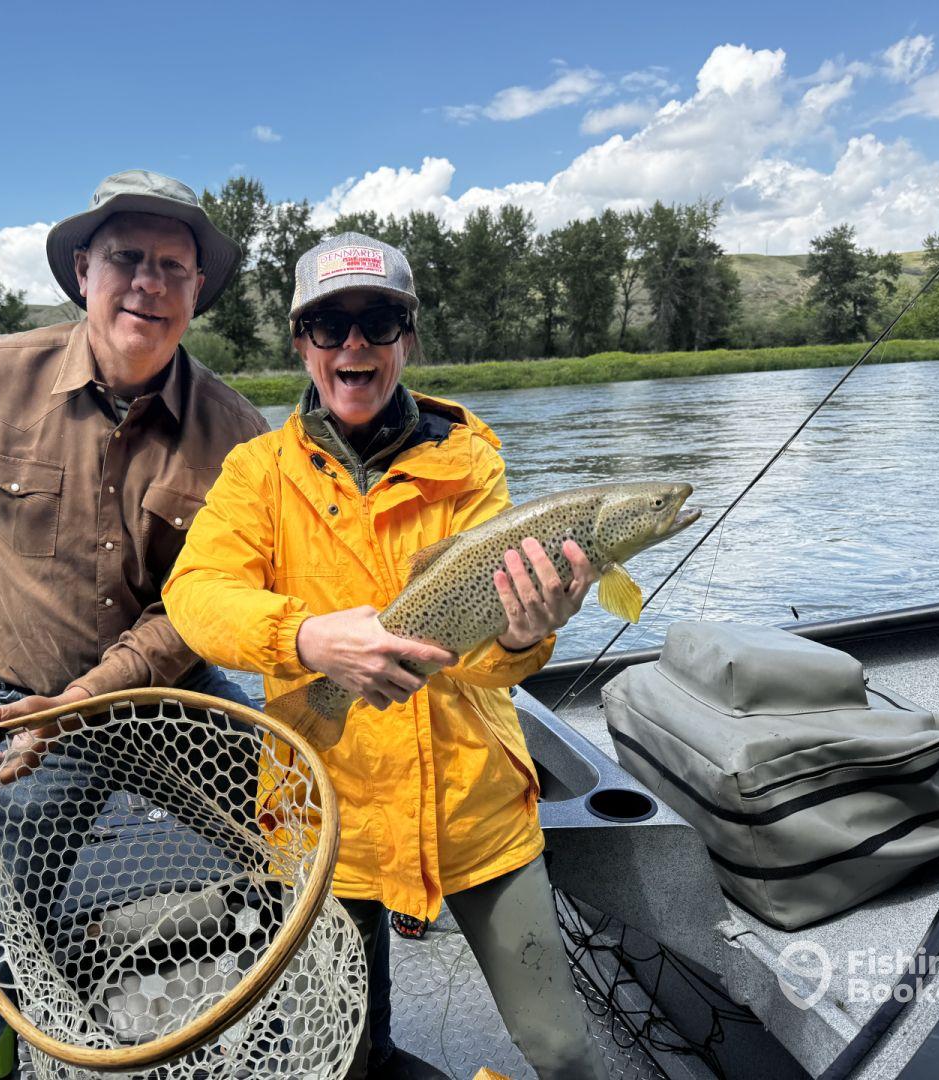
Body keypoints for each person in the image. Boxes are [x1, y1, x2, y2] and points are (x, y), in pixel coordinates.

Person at [0, 170, 270, 1079]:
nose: (148, 283)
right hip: (18, 719)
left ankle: (329, 1043)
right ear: (84, 270)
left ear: (197, 291)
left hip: (172, 701)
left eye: (173, 267)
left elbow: (203, 606)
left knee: (320, 843)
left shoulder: (240, 436)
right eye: (127, 259)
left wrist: (92, 694)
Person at [163, 232, 611, 1080]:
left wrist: (524, 632)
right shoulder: (255, 474)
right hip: (322, 813)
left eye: (379, 321)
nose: (354, 345)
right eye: (330, 326)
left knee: (565, 1051)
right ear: (301, 342)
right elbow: (195, 597)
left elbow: (490, 663)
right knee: (345, 1054)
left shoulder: (472, 465)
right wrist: (306, 639)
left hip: (473, 807)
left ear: (408, 337)